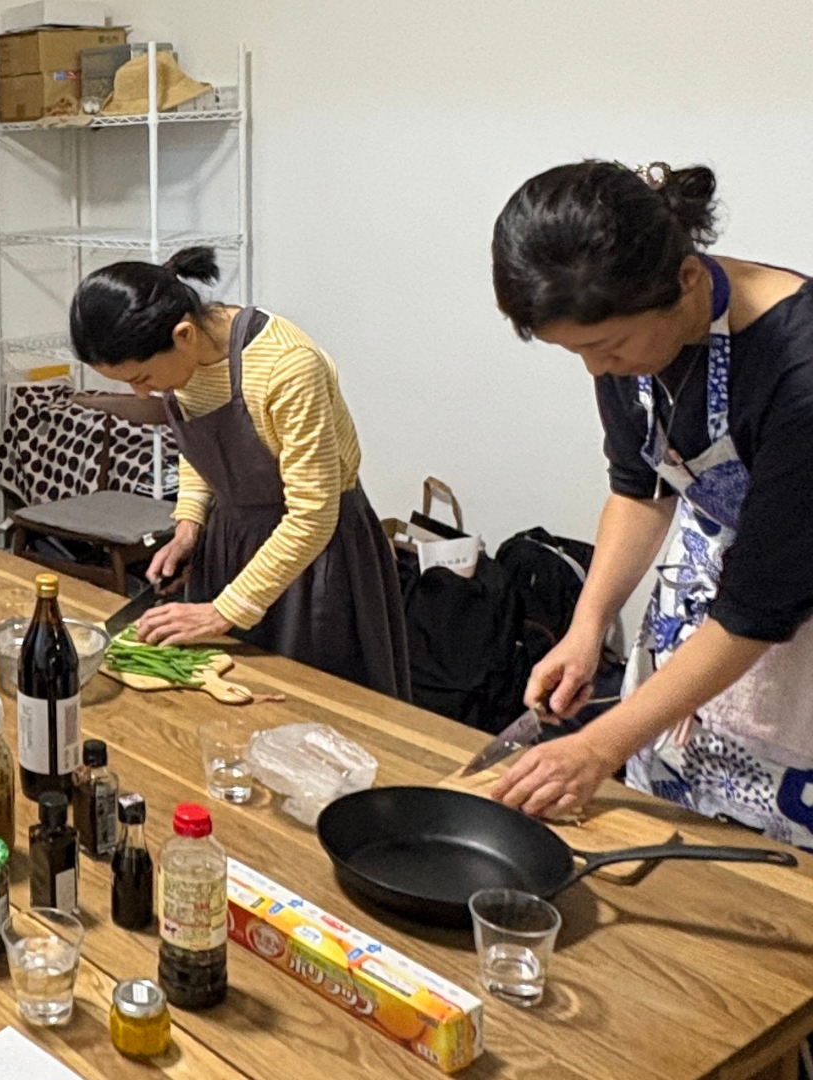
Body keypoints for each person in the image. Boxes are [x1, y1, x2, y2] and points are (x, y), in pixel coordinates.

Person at [488, 161, 813, 842]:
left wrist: (598, 745)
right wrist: (587, 626)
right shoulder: (629, 336)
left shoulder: (798, 367)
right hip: (705, 600)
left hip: (786, 619)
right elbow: (641, 490)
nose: (595, 368)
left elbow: (760, 606)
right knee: (673, 830)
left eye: (604, 348)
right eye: (577, 352)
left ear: (687, 279)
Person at [68, 246, 410, 698]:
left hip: (314, 559)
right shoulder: (185, 361)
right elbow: (201, 446)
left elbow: (313, 515)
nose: (141, 393)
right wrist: (189, 526)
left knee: (311, 709)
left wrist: (224, 611)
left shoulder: (287, 366)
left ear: (184, 334)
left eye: (143, 378)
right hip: (229, 544)